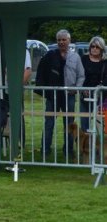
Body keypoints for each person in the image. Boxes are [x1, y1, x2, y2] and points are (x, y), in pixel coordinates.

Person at [35, 29, 84, 157]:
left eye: (64, 40)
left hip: (69, 95)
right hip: (53, 96)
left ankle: (68, 150)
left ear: (69, 41)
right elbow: (41, 74)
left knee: (69, 125)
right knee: (49, 123)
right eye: (59, 40)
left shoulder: (76, 57)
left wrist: (77, 89)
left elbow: (81, 76)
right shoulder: (50, 55)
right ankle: (45, 150)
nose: (61, 42)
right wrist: (45, 91)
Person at [80, 36, 107, 132]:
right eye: (92, 46)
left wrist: (100, 88)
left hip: (101, 97)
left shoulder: (105, 61)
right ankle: (85, 146)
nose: (94, 49)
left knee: (100, 125)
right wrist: (83, 89)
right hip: (85, 96)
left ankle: (99, 145)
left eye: (97, 47)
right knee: (84, 123)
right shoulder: (84, 59)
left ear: (102, 48)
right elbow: (80, 76)